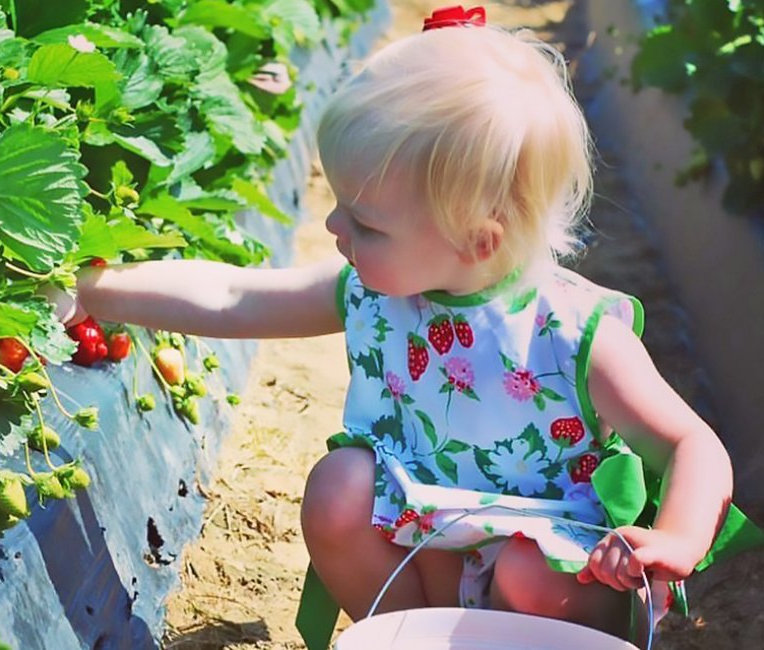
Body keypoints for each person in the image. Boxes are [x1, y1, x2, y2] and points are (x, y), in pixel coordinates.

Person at [49, 6, 751, 646]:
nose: (333, 225)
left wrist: (675, 540)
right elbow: (236, 294)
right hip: (423, 547)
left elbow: (690, 443)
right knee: (339, 489)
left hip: (551, 577)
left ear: (477, 241)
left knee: (528, 571)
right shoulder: (375, 293)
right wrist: (100, 291)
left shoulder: (573, 331)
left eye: (366, 221)